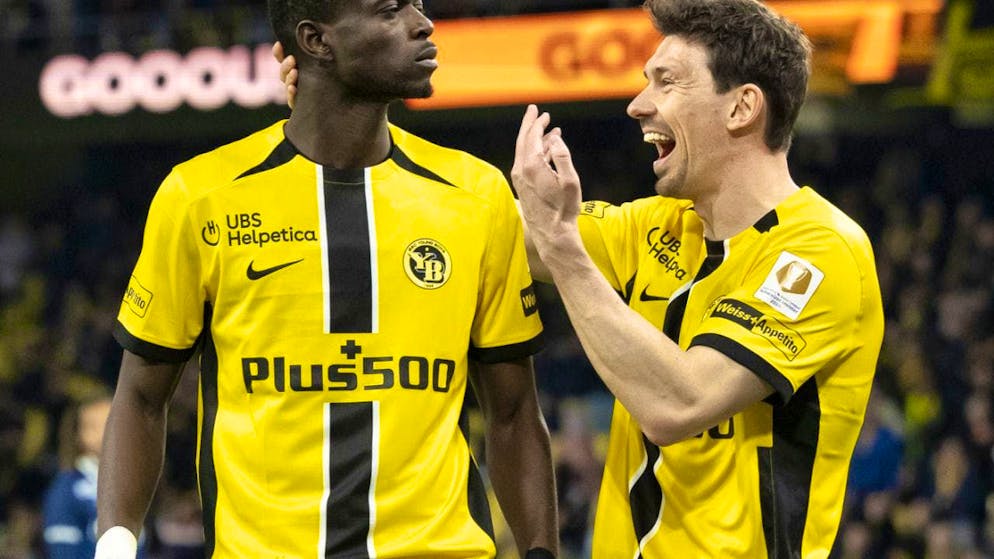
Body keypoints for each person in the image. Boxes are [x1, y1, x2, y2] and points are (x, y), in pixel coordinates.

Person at [95, 1, 558, 558]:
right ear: (316, 41)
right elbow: (141, 397)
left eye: (418, 5)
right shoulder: (199, 197)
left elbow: (513, 412)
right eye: (390, 11)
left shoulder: (477, 196)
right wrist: (114, 544)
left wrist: (541, 552)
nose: (423, 24)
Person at [510, 0, 884, 556]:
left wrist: (563, 248)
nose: (638, 105)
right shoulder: (658, 225)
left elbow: (680, 404)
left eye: (667, 82)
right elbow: (496, 231)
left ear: (741, 108)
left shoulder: (821, 251)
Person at [44, 395, 147, 558]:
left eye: (112, 422)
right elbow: (63, 551)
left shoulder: (135, 483)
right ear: (78, 434)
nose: (106, 432)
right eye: (95, 426)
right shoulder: (67, 489)